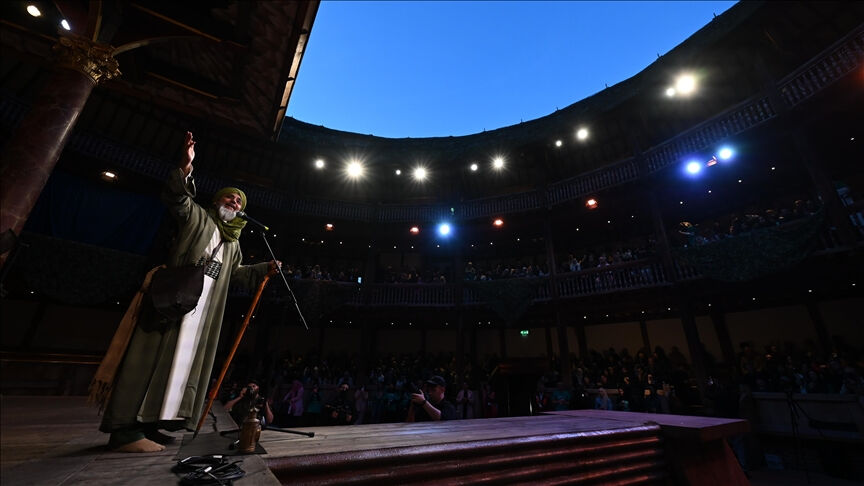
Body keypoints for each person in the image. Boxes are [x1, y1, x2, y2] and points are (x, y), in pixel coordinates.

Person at [92, 132, 280, 452]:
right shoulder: (198, 219)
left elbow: (235, 276)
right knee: (148, 360)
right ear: (217, 200)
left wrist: (263, 269)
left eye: (239, 201)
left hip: (203, 313)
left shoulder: (233, 245)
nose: (234, 202)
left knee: (176, 368)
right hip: (172, 300)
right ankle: (124, 431)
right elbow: (178, 200)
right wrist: (186, 168)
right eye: (229, 197)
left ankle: (150, 424)